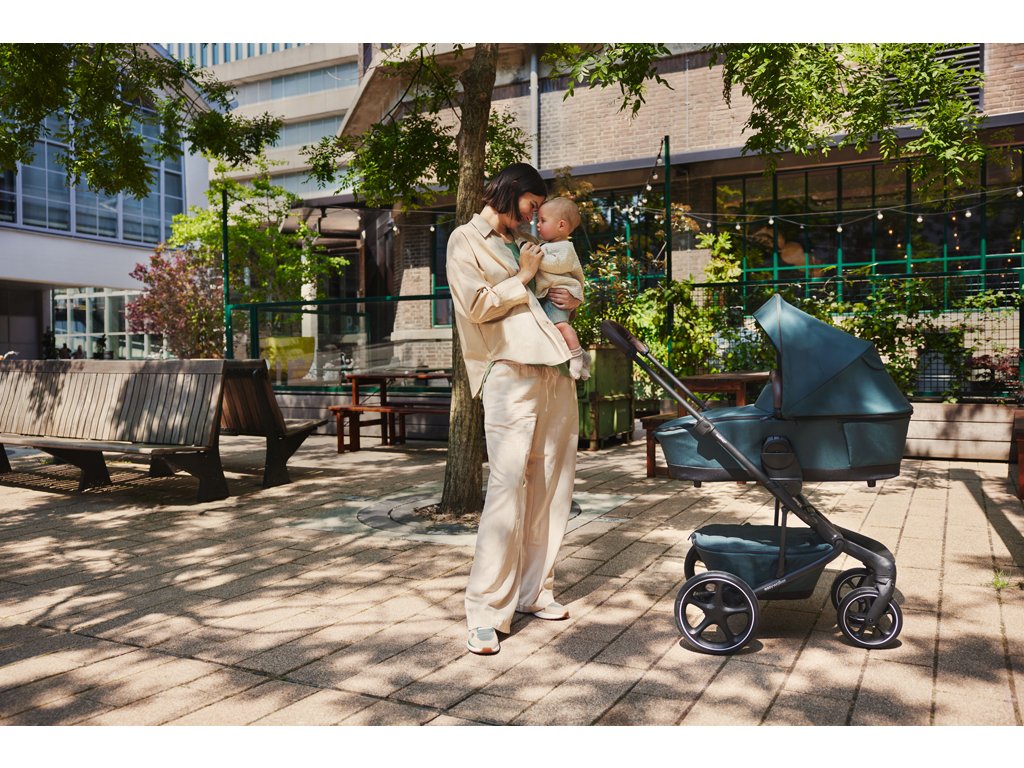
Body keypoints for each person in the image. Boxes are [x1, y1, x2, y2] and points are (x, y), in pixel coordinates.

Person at [446, 162, 581, 655]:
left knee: (552, 487)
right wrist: (522, 277)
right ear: (511, 191)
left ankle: (533, 592)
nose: (533, 215)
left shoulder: (530, 241)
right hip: (508, 372)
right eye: (531, 204)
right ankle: (485, 611)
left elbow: (559, 290)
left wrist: (571, 297)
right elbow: (475, 306)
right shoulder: (465, 240)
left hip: (556, 370)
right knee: (507, 488)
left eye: (539, 209)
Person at [532, 197, 590, 380]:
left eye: (543, 220)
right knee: (556, 331)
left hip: (560, 294)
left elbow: (556, 265)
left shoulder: (565, 247)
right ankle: (583, 356)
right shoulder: (547, 246)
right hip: (550, 295)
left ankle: (576, 357)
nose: (538, 224)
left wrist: (534, 258)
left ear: (561, 225)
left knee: (561, 326)